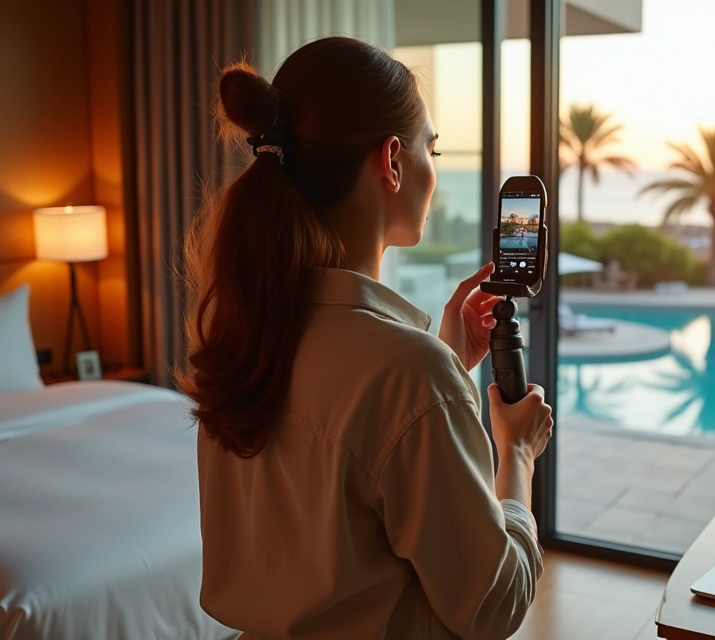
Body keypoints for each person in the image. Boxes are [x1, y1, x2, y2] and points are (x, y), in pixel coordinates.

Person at [180, 37, 553, 640]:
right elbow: (493, 606)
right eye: (431, 148)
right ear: (392, 160)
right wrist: (517, 452)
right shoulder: (407, 372)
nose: (434, 169)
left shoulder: (243, 338)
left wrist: (451, 365)